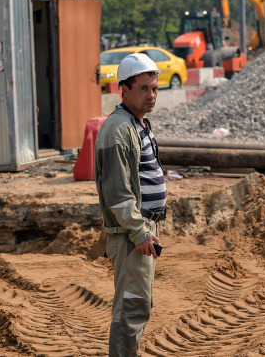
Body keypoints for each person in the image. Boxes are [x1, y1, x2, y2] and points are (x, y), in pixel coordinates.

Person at [95, 53, 167, 355]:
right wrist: (139, 232)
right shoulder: (118, 130)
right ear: (123, 90)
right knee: (131, 308)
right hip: (130, 235)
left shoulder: (138, 124)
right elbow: (117, 192)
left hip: (140, 229)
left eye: (154, 88)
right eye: (143, 89)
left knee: (138, 305)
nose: (151, 95)